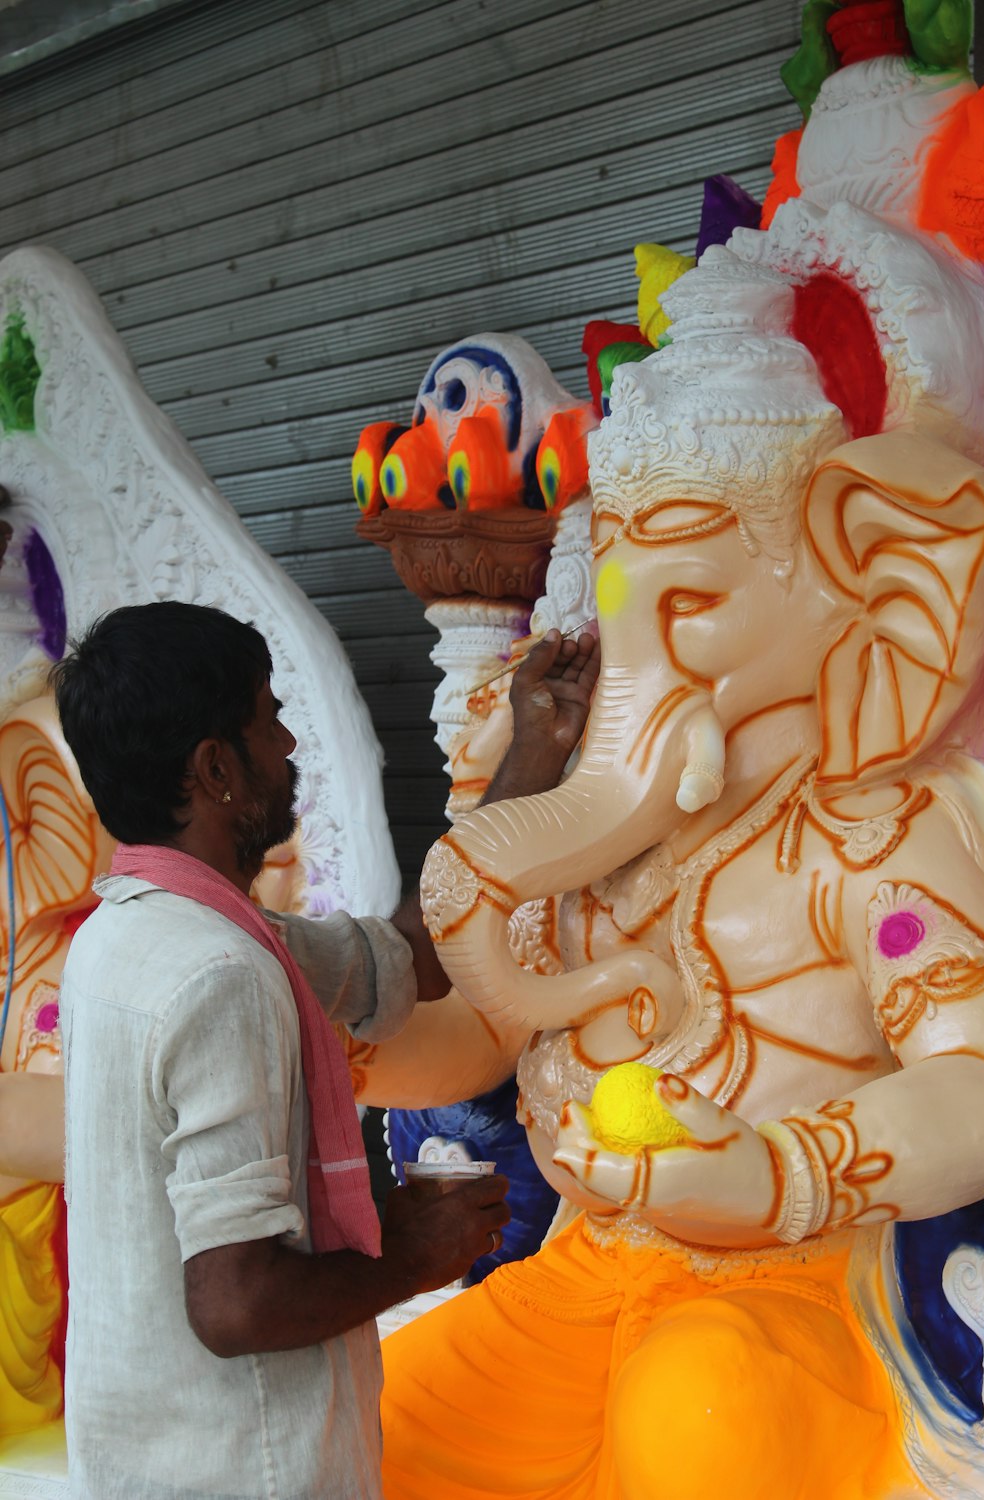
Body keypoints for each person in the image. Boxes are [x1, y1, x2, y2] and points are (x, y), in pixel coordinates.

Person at [51, 600, 598, 1500]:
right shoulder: (219, 974)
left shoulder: (126, 936)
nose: (291, 746)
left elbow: (411, 958)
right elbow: (235, 1303)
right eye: (269, 720)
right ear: (215, 768)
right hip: (243, 1469)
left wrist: (524, 764)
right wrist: (415, 1254)